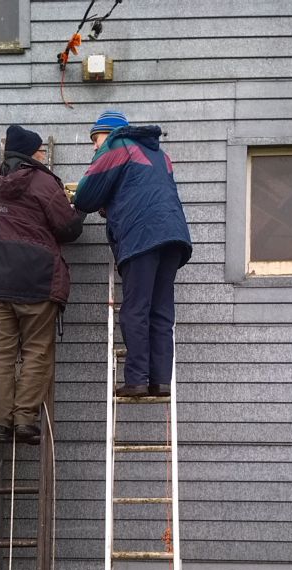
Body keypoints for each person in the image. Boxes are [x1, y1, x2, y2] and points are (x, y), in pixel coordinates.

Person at [73, 110, 192, 397]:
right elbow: (139, 188)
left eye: (96, 137)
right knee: (161, 310)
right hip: (173, 235)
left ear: (111, 132)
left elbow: (86, 196)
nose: (94, 145)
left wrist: (81, 199)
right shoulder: (160, 155)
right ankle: (160, 381)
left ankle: (137, 380)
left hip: (142, 235)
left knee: (136, 309)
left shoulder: (118, 145)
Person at [0, 124, 84, 444]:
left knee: (1, 353)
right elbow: (66, 228)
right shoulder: (43, 181)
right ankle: (25, 421)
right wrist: (77, 207)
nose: (43, 155)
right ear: (32, 153)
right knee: (37, 350)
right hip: (37, 278)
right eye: (39, 151)